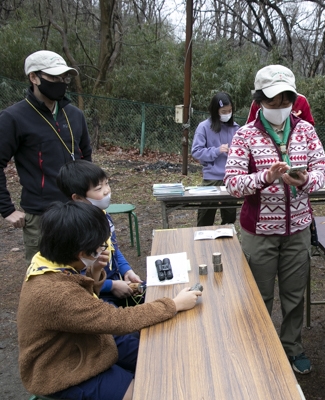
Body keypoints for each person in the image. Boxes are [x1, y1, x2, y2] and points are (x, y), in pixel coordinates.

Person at [17, 201, 201, 400]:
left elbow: (83, 306)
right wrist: (174, 304)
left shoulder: (49, 261)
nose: (103, 248)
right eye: (99, 246)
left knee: (156, 358)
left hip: (87, 343)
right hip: (62, 369)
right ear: (81, 253)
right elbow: (116, 320)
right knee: (143, 392)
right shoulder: (55, 292)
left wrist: (94, 272)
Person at [224, 65, 325, 374]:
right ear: (259, 101)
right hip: (258, 231)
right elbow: (232, 184)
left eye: (286, 100)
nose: (280, 107)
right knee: (259, 295)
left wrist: (306, 180)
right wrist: (265, 177)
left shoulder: (306, 130)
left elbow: (322, 171)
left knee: (295, 294)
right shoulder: (245, 135)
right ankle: (259, 348)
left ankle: (292, 347)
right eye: (273, 101)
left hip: (297, 228)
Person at [0, 50, 92, 264]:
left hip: (78, 211)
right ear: (34, 77)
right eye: (53, 77)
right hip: (42, 217)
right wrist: (7, 209)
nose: (61, 82)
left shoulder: (75, 115)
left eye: (64, 78)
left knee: (83, 274)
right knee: (46, 281)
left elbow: (86, 157)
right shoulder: (13, 118)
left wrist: (91, 195)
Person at [57, 159, 144, 307]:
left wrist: (126, 271)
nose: (107, 190)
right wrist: (111, 285)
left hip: (118, 281)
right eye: (98, 188)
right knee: (126, 329)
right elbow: (76, 278)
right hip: (97, 293)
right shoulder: (75, 230)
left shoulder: (103, 215)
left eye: (107, 183)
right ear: (77, 198)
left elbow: (114, 249)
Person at [191, 92, 239, 226]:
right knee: (206, 214)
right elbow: (196, 151)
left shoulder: (236, 128)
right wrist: (217, 151)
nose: (227, 114)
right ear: (215, 111)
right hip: (212, 177)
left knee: (230, 214)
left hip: (231, 176)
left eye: (229, 111)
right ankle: (202, 239)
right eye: (223, 111)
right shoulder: (204, 127)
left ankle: (227, 240)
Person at [246, 93, 315, 126]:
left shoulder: (301, 100)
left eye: (285, 104)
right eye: (272, 105)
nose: (279, 109)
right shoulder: (258, 101)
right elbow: (250, 124)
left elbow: (309, 124)